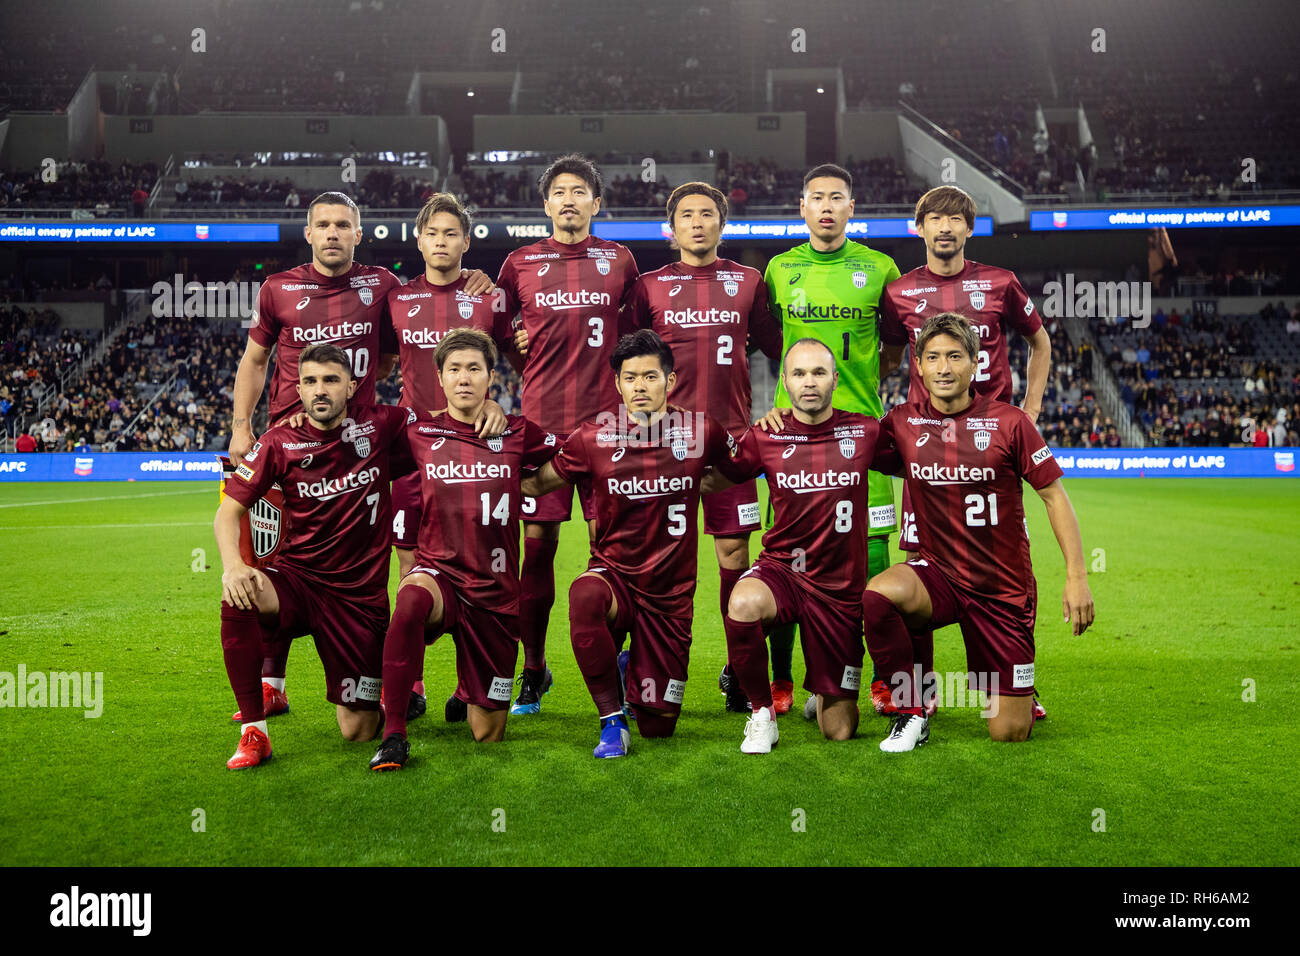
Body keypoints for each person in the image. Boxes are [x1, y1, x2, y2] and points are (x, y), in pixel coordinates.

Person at [225, 190, 490, 721]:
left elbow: (396, 352)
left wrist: (476, 278)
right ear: (308, 232)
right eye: (322, 224)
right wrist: (241, 426)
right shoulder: (278, 288)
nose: (331, 233)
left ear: (358, 233)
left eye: (342, 225)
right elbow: (256, 360)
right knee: (273, 556)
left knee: (370, 556)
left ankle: (389, 674)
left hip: (361, 440)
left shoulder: (383, 286)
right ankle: (271, 683)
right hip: (288, 435)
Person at [865, 313, 1094, 752]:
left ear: (975, 363)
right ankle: (912, 710)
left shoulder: (1011, 423)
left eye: (955, 356)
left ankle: (1016, 687)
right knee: (878, 596)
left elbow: (1054, 497)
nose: (944, 368)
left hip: (1001, 589)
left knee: (1008, 732)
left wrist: (1077, 577)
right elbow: (843, 440)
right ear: (919, 366)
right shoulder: (903, 422)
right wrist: (786, 415)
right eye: (933, 357)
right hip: (939, 578)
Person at [520, 330, 748, 758]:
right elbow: (537, 483)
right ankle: (611, 722)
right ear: (618, 384)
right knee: (583, 594)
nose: (640, 386)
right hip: (616, 579)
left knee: (659, 728)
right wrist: (486, 459)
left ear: (671, 381)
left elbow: (741, 467)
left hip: (670, 596)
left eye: (649, 376)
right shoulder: (594, 437)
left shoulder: (701, 431)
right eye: (630, 378)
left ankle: (629, 668)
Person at [878, 184, 1052, 718]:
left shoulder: (1000, 283)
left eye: (956, 219)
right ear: (921, 227)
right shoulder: (899, 293)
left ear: (970, 228)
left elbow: (1040, 342)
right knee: (917, 567)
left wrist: (1030, 410)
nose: (946, 227)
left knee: (1008, 567)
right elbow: (886, 356)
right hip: (926, 448)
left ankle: (1013, 681)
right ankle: (919, 694)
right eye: (935, 218)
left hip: (990, 449)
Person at [215, 343, 415, 769]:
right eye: (309, 381)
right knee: (239, 592)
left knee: (357, 731)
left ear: (353, 386)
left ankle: (385, 701)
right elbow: (228, 513)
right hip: (299, 583)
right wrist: (233, 565)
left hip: (359, 603)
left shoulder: (381, 425)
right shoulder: (279, 441)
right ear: (298, 388)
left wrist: (487, 404)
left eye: (330, 380)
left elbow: (441, 424)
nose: (319, 390)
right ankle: (255, 731)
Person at [369, 329, 559, 769]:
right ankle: (394, 733)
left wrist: (527, 482)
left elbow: (569, 461)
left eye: (474, 368)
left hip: (494, 591)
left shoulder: (517, 431)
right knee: (410, 600)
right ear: (439, 377)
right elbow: (359, 440)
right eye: (454, 369)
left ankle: (468, 690)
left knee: (487, 733)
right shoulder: (418, 431)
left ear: (492, 376)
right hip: (440, 575)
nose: (464, 378)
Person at [625, 181, 782, 713]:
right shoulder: (648, 287)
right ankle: (645, 666)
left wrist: (779, 407)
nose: (697, 222)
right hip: (661, 445)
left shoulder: (748, 282)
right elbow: (626, 361)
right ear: (672, 228)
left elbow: (777, 347)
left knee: (734, 554)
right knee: (651, 561)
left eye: (707, 214)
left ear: (723, 223)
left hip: (729, 443)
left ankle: (741, 668)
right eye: (686, 215)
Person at [495, 154, 640, 716]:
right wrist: (516, 350)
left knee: (617, 549)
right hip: (543, 427)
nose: (570, 200)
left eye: (581, 191)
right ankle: (533, 667)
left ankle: (623, 658)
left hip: (609, 428)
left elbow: (635, 331)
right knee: (539, 548)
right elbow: (499, 330)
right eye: (560, 191)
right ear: (546, 203)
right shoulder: (519, 263)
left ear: (595, 203)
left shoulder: (619, 261)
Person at [761, 163, 900, 715]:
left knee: (869, 562)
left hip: (862, 436)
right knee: (784, 559)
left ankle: (878, 679)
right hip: (790, 439)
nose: (825, 206)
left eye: (836, 198)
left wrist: (860, 391)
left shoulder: (880, 267)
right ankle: (780, 683)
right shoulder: (778, 269)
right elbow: (771, 340)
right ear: (802, 208)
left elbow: (893, 345)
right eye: (815, 197)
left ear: (850, 207)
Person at [705, 338, 887, 753]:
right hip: (783, 571)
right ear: (784, 383)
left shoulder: (864, 431)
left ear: (835, 380)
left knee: (839, 729)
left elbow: (915, 458)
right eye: (800, 374)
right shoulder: (766, 435)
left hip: (839, 589)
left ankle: (823, 695)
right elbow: (722, 474)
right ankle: (761, 714)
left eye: (819, 373)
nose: (809, 382)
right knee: (743, 602)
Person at [385, 192, 512, 723]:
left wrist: (504, 407)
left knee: (477, 568)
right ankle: (411, 684)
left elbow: (517, 356)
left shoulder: (490, 297)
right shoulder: (393, 298)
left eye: (450, 233)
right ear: (419, 240)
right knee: (412, 564)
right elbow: (376, 360)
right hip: (413, 453)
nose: (441, 241)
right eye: (431, 233)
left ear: (465, 240)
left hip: (473, 450)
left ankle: (470, 685)